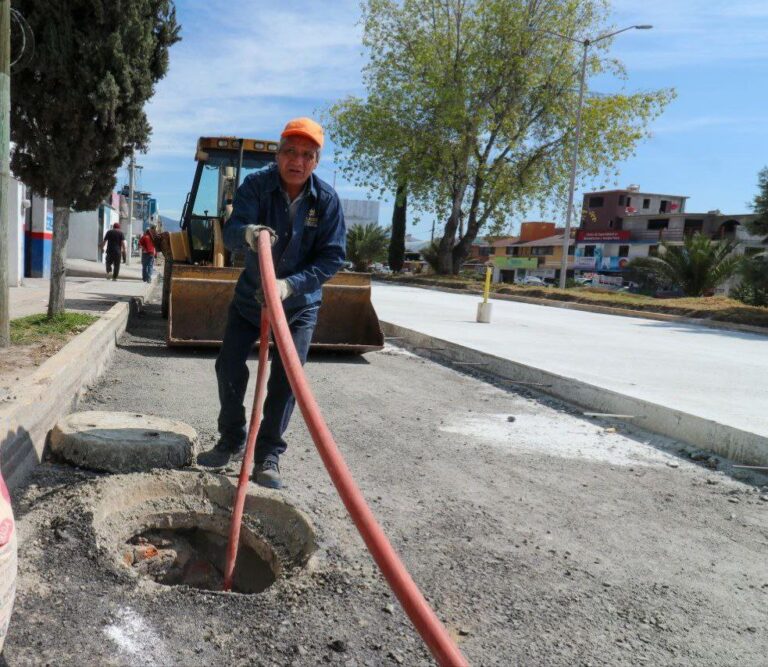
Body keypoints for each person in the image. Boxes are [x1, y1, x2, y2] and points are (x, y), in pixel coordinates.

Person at [197, 118, 346, 489]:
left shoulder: (326, 201)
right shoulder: (256, 186)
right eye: (291, 152)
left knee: (286, 380)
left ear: (315, 161)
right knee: (228, 366)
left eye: (306, 155)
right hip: (252, 297)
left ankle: (267, 454)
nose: (297, 160)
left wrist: (290, 286)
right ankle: (232, 439)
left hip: (298, 305)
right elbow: (232, 232)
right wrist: (247, 232)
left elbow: (332, 258)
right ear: (279, 155)